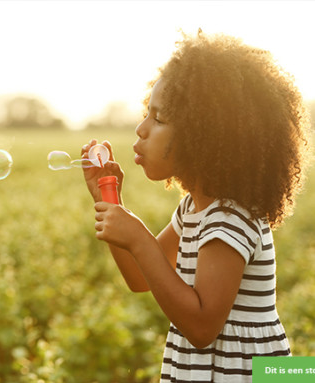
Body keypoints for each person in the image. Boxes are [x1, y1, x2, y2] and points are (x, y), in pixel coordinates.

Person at [81, 30, 311, 382]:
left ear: (206, 137)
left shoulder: (230, 219)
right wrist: (109, 200)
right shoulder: (194, 209)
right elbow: (141, 278)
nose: (141, 129)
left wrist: (141, 238)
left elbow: (202, 327)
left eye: (159, 119)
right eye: (148, 113)